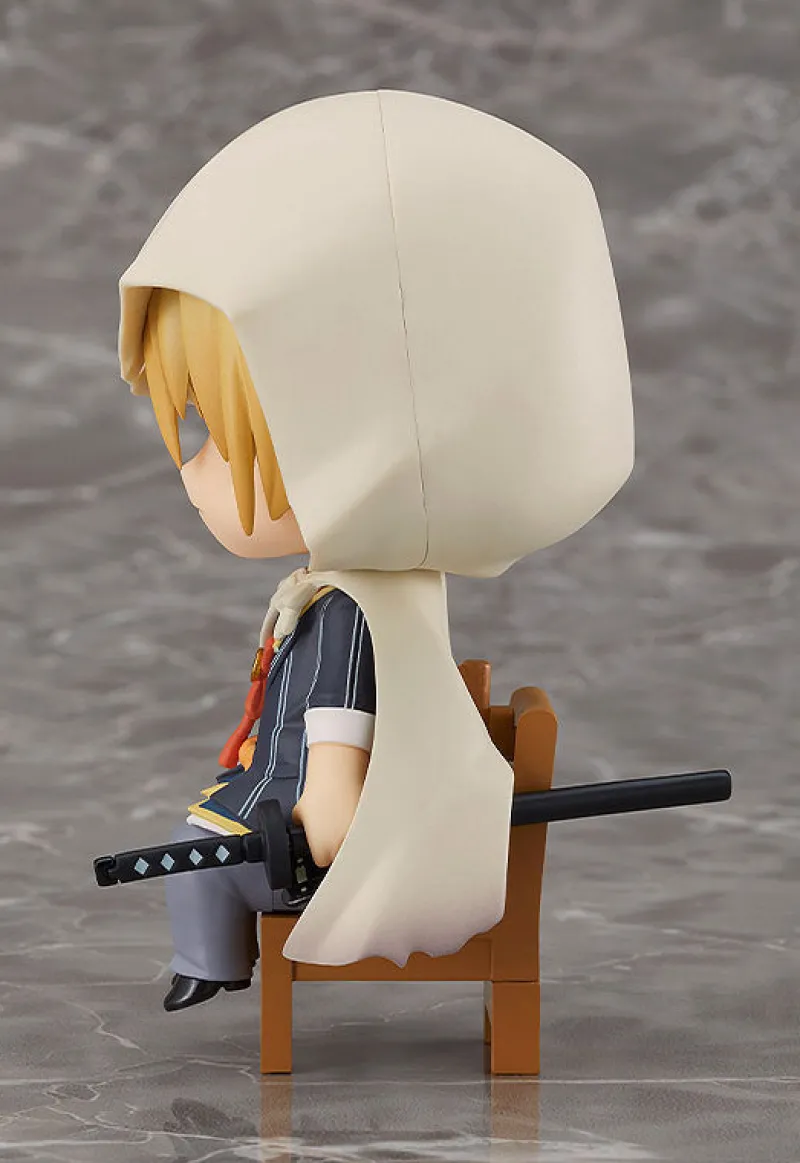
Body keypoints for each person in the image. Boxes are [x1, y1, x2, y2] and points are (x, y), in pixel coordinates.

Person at [117, 89, 634, 1010]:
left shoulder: (352, 614)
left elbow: (337, 737)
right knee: (197, 841)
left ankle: (210, 964)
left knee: (201, 857)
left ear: (351, 434)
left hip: (308, 835)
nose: (192, 469)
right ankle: (209, 959)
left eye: (222, 434)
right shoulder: (339, 598)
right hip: (281, 799)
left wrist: (325, 812)